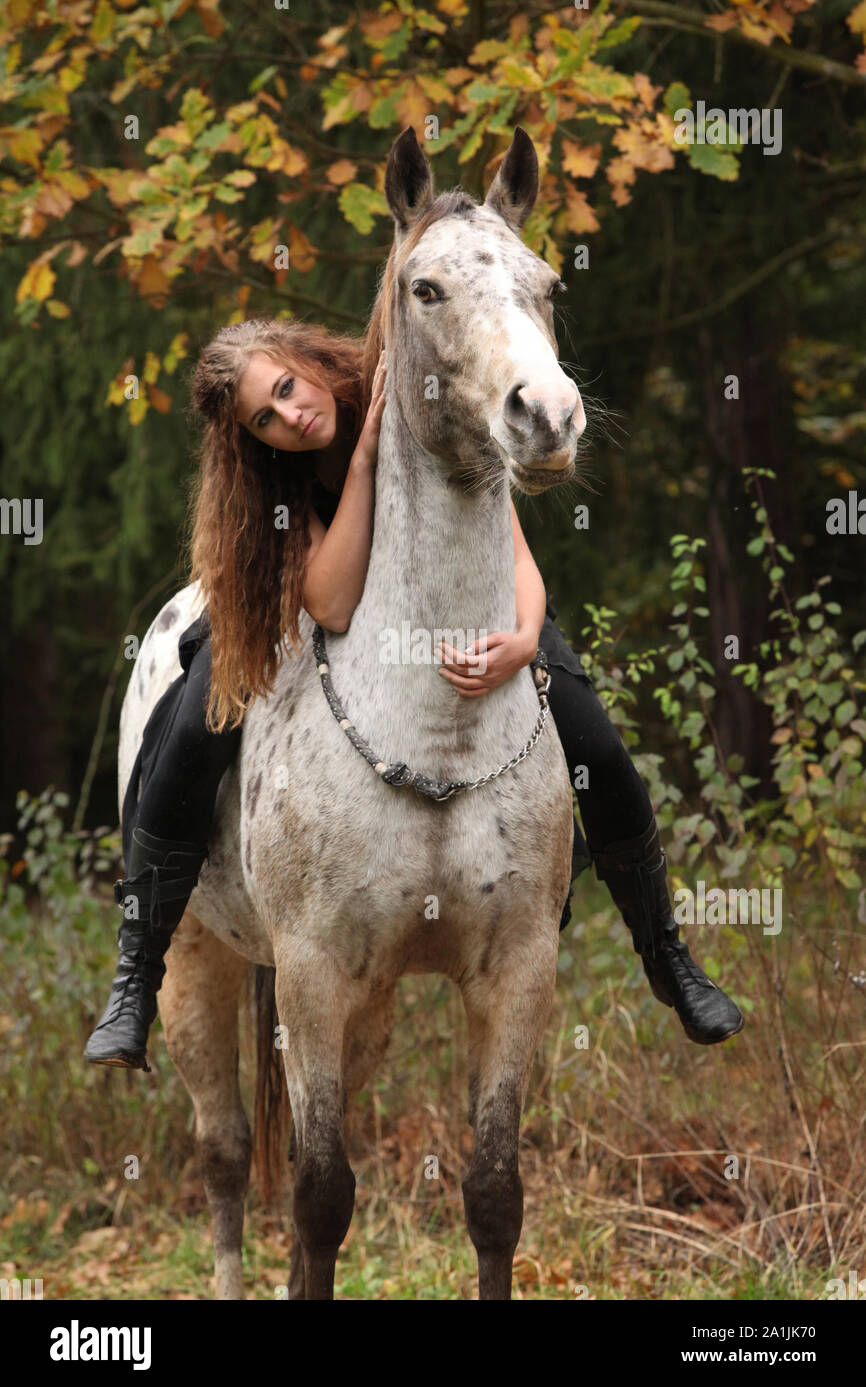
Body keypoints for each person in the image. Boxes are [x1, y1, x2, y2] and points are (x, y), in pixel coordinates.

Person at [83, 317, 743, 1071]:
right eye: (267, 418)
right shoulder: (274, 481)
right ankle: (136, 975)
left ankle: (668, 956)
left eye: (289, 387)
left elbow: (513, 547)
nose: (293, 417)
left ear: (307, 359)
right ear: (254, 438)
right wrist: (362, 461)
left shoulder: (410, 398)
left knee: (597, 741)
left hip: (471, 603)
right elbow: (330, 605)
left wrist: (526, 638)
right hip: (292, 608)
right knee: (192, 731)